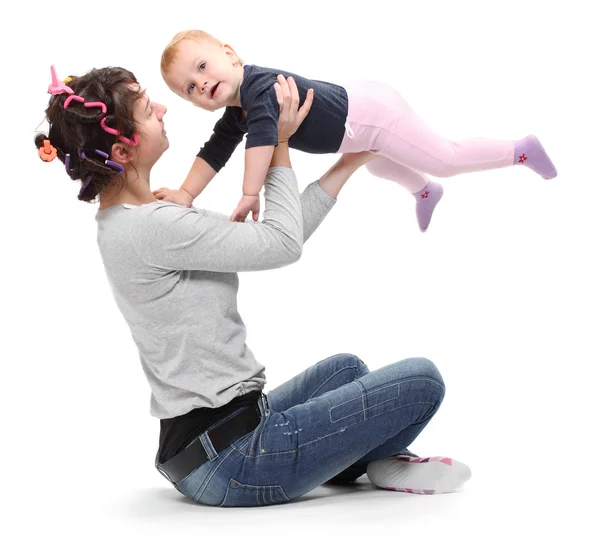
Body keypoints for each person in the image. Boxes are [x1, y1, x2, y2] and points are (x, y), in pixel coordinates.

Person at [35, 65, 471, 507]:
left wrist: (348, 163)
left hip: (216, 441)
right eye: (149, 110)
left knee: (346, 369)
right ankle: (383, 461)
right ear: (123, 150)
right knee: (424, 380)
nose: (164, 109)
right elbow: (281, 244)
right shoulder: (156, 226)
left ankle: (372, 461)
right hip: (235, 461)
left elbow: (276, 237)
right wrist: (278, 141)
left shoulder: (132, 220)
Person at [154, 29, 558, 232]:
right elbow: (215, 150)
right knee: (380, 165)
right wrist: (186, 193)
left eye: (202, 67)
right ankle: (424, 190)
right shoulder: (239, 109)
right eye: (190, 87)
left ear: (229, 54)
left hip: (372, 115)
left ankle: (519, 150)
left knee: (446, 159)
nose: (201, 83)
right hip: (358, 120)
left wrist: (249, 193)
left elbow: (263, 139)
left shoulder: (259, 88)